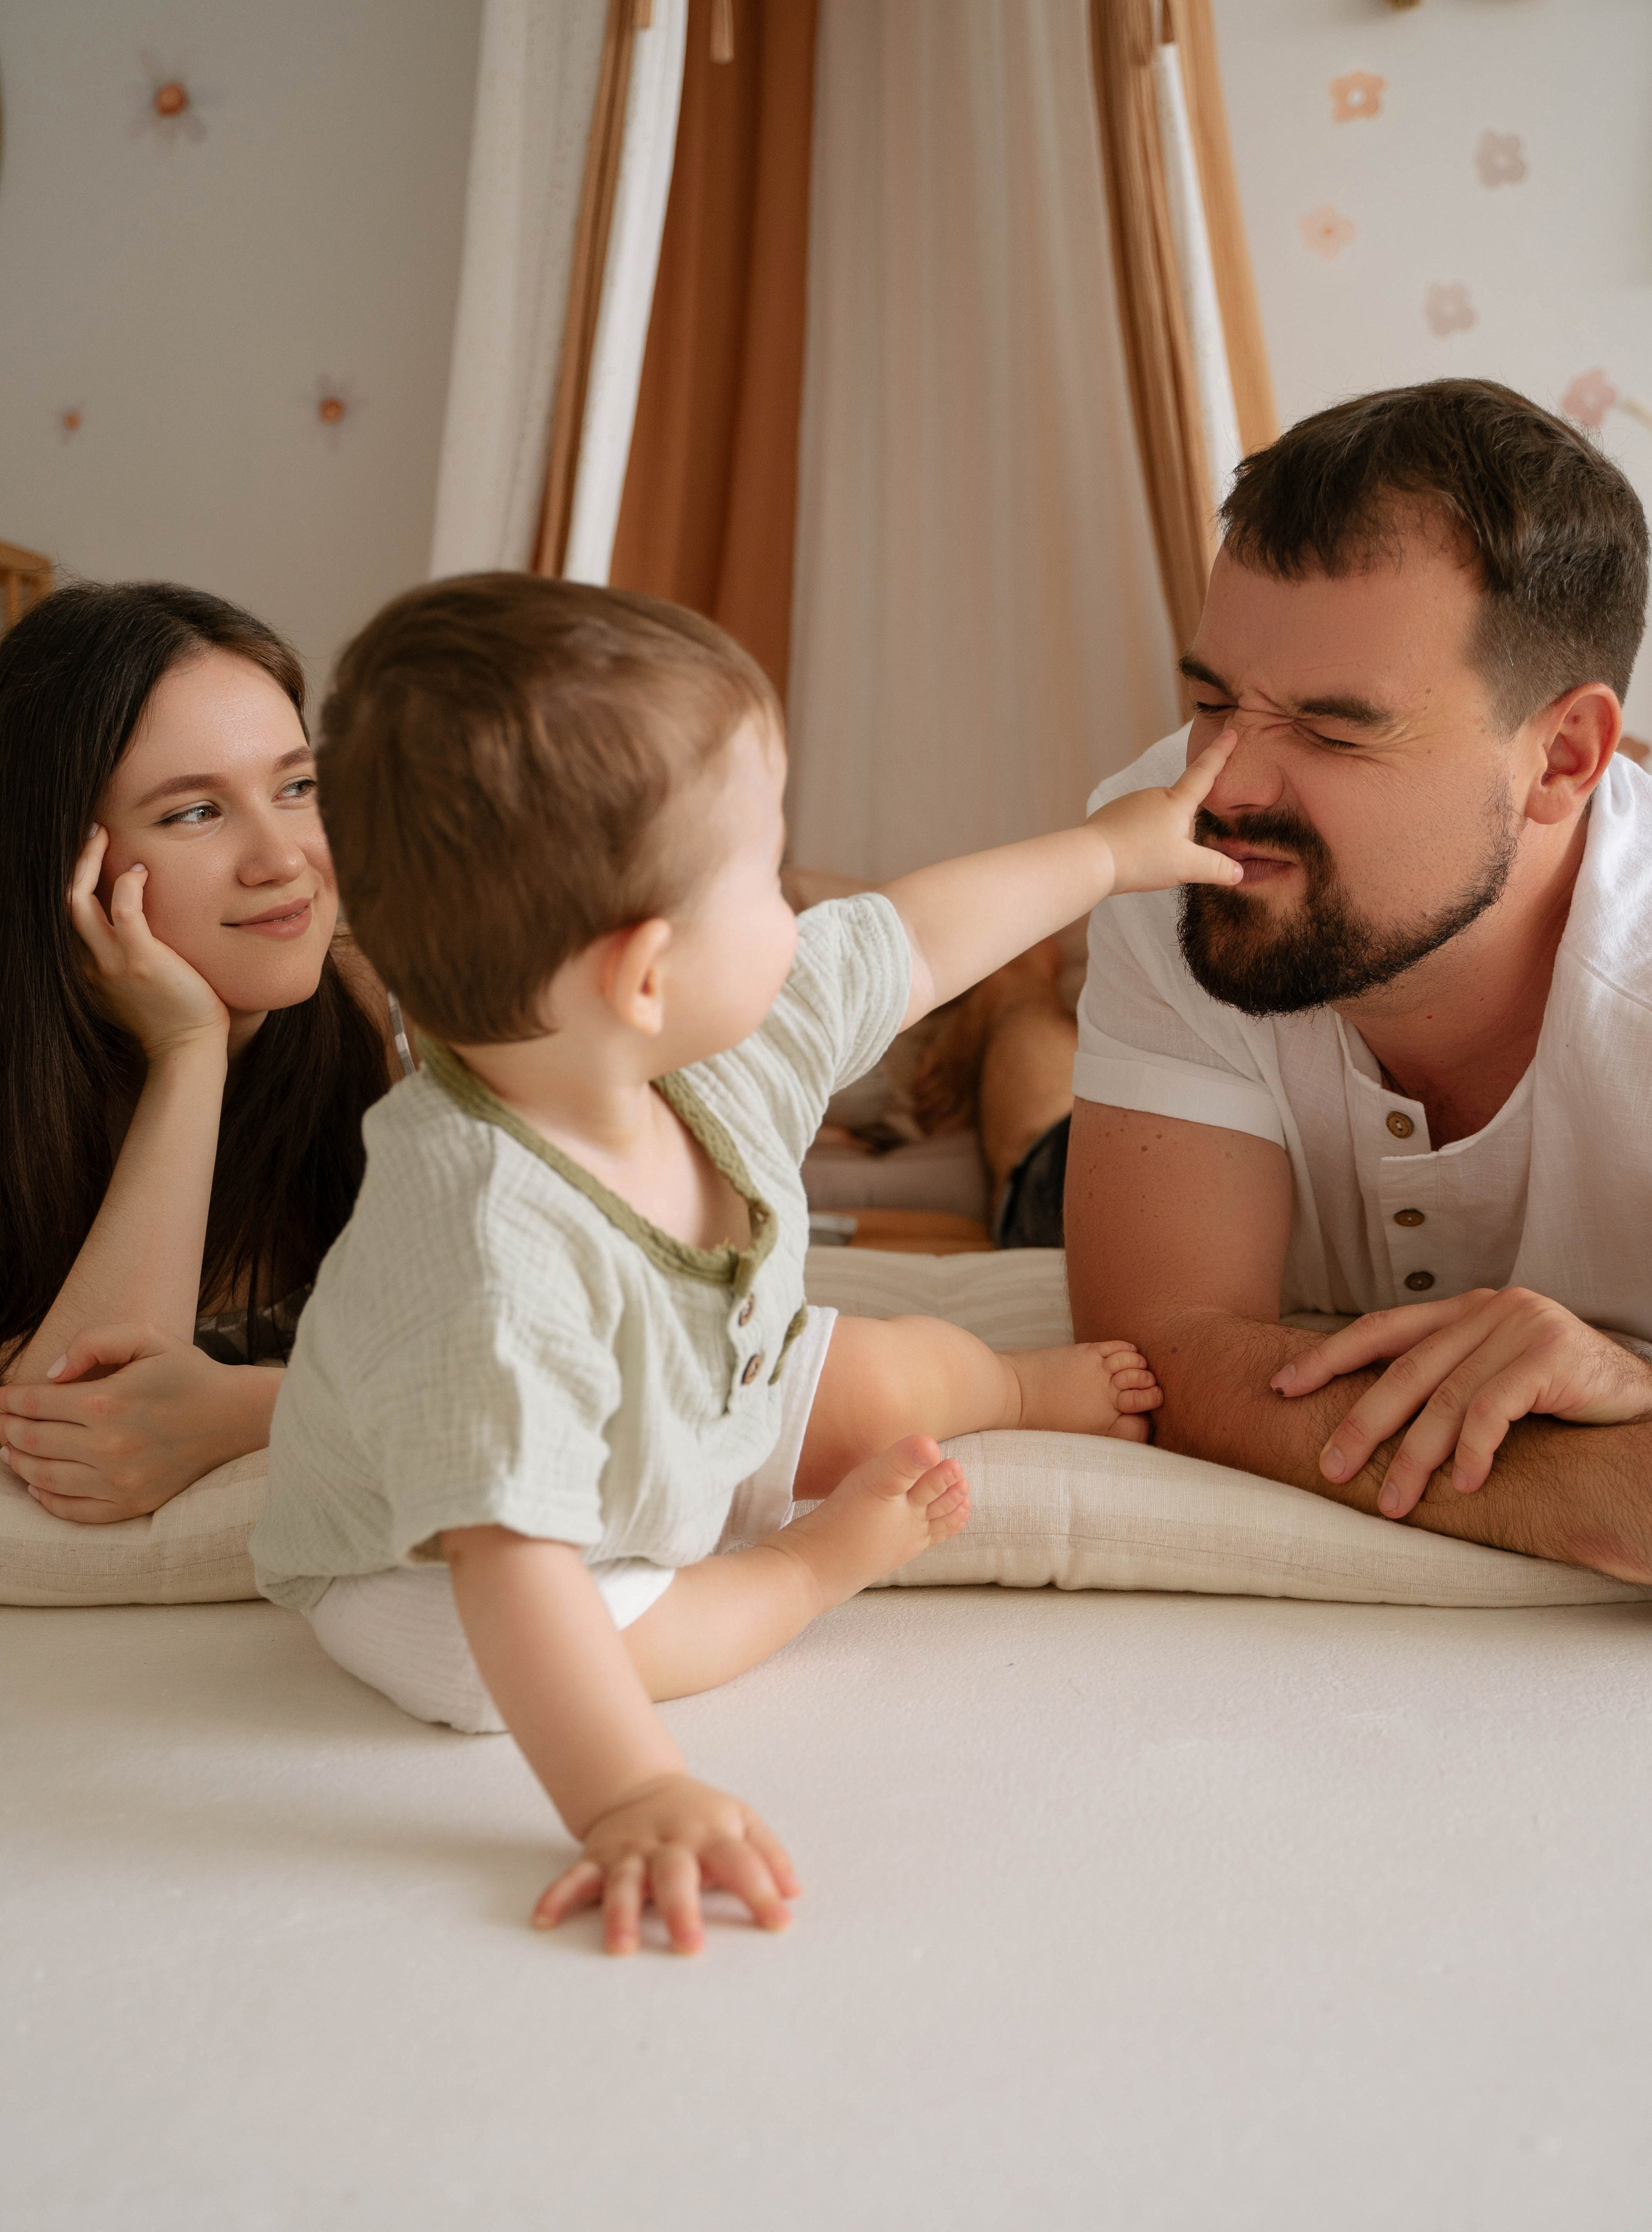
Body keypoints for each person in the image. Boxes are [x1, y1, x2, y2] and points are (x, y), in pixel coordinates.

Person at [251, 574, 1241, 1955]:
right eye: (769, 877)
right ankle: (809, 1572)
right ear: (643, 973)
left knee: (901, 1362)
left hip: (684, 1406)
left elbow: (909, 939)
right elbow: (518, 1569)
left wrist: (1110, 853)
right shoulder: (488, 1249)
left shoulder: (713, 1042)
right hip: (449, 1559)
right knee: (602, 1642)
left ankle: (1009, 1388)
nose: (799, 908)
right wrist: (628, 1795)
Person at [1063, 378, 1652, 1584]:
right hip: (1163, 1133)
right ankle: (1022, 1051)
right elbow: (1158, 1350)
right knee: (1026, 1160)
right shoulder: (1172, 843)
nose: (1226, 786)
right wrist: (1598, 1491)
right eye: (1214, 702)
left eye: (1335, 733)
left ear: (1566, 756)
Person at [0, 583, 394, 1519]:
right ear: (69, 863)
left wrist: (246, 1409)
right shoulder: (25, 1085)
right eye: (194, 814)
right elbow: (72, 1439)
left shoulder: (384, 1015)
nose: (283, 859)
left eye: (297, 788)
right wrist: (187, 1051)